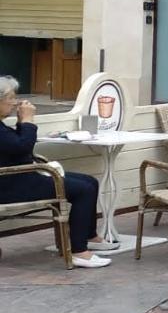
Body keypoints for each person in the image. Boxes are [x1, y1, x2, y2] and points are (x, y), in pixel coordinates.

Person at [0, 76, 110, 267]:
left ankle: (89, 236)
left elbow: (14, 147)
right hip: (12, 185)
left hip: (21, 177)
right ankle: (79, 252)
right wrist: (28, 121)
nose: (15, 102)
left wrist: (20, 123)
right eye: (10, 97)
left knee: (89, 182)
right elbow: (22, 147)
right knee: (83, 190)